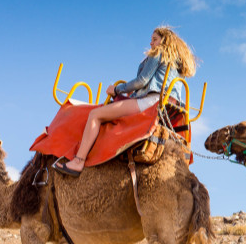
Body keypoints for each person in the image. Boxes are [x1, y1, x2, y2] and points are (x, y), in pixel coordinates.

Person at [53, 26, 198, 176]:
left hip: (151, 102)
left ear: (164, 41)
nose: (151, 43)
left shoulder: (158, 52)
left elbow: (141, 81)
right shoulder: (175, 63)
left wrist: (117, 89)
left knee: (95, 115)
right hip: (168, 104)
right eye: (151, 40)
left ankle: (78, 161)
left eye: (155, 39)